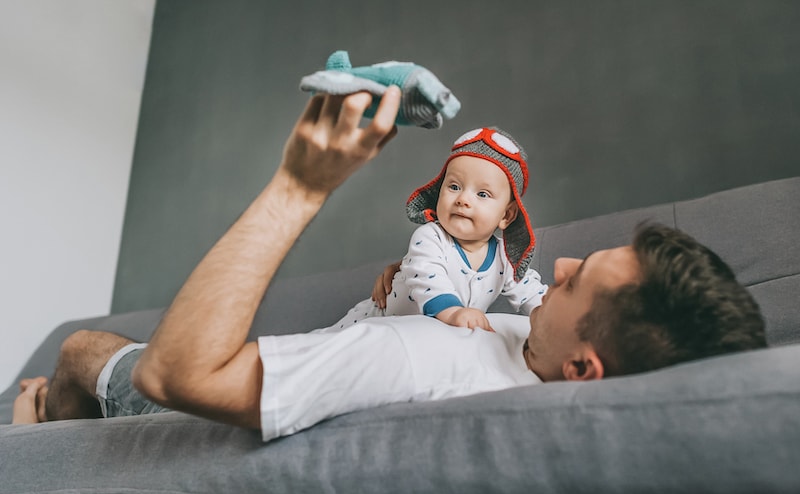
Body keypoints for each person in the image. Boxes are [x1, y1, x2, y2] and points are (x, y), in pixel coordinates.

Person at [12, 87, 767, 443]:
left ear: (584, 370)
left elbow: (175, 376)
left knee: (80, 350)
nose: (560, 264)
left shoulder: (423, 360)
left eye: (579, 280)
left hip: (193, 401)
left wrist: (299, 187)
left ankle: (39, 430)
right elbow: (461, 289)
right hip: (335, 342)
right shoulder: (530, 355)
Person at [329, 126, 547, 333]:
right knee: (324, 349)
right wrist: (453, 313)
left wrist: (549, 316)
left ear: (506, 216)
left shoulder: (506, 258)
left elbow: (531, 293)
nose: (463, 199)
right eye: (454, 187)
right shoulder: (430, 237)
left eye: (482, 194)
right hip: (376, 322)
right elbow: (428, 279)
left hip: (424, 338)